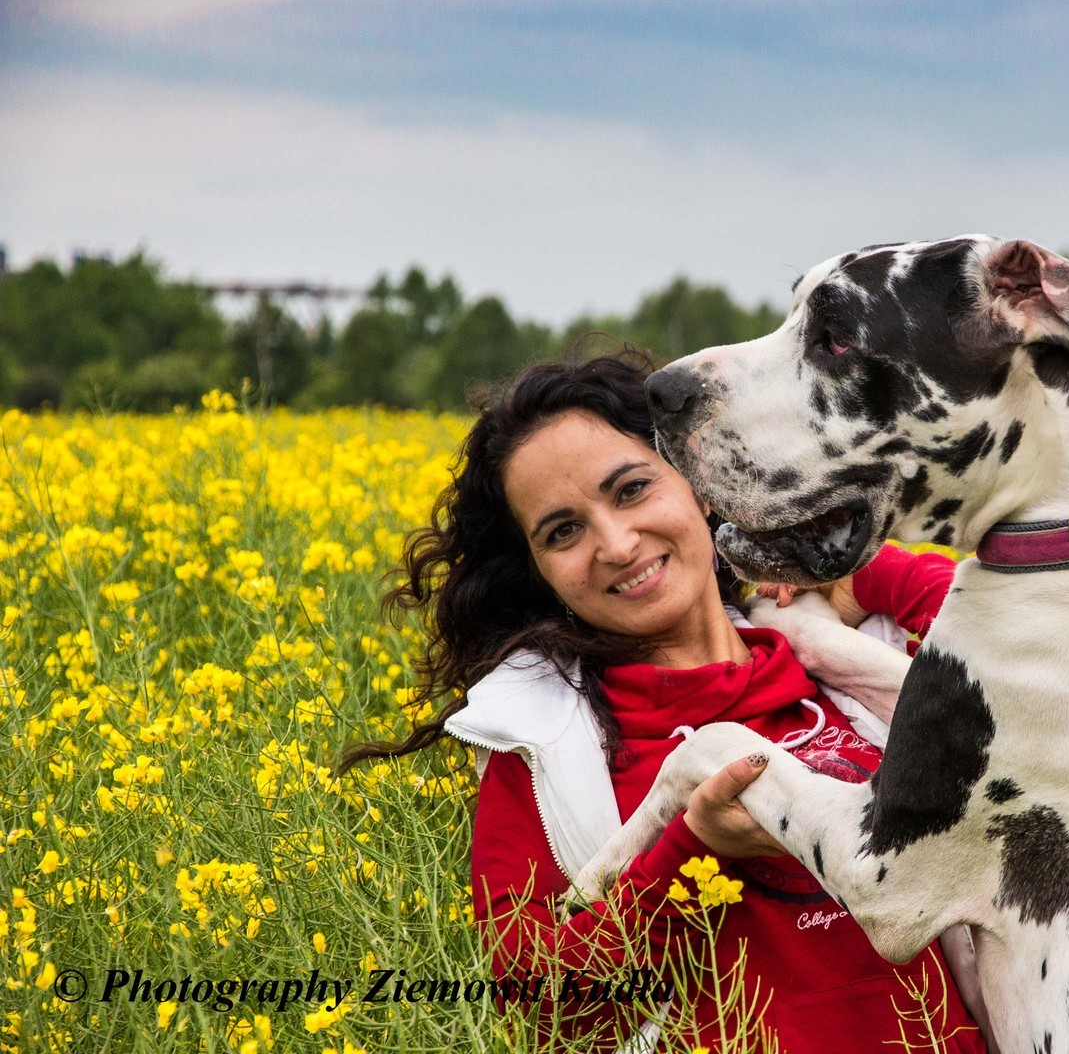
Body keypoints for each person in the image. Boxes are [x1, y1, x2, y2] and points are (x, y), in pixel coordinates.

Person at [340, 349, 986, 1053]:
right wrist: (689, 849)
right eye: (563, 532)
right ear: (540, 572)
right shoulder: (545, 749)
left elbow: (1017, 642)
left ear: (700, 482)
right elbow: (544, 1010)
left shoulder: (843, 664)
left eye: (631, 490)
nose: (616, 545)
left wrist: (854, 570)